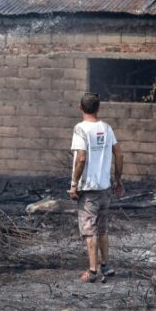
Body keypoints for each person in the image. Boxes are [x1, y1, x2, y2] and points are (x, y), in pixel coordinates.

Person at [67, 92, 124, 283]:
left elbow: (81, 157)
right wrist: (117, 180)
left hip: (88, 190)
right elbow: (119, 154)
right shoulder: (107, 128)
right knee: (102, 228)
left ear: (80, 107)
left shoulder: (80, 129)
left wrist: (74, 184)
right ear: (99, 108)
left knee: (89, 230)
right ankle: (106, 266)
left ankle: (92, 271)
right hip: (105, 188)